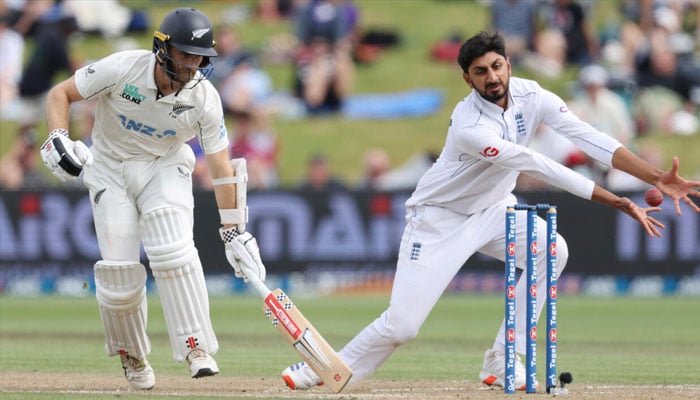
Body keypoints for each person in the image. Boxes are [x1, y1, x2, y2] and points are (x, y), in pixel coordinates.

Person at [280, 31, 700, 392]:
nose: (493, 77)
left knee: (552, 250)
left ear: (508, 63)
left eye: (497, 66)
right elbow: (537, 165)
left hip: (495, 211)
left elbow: (590, 138)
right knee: (403, 326)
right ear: (467, 78)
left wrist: (655, 176)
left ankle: (503, 358)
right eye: (481, 72)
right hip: (439, 219)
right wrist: (617, 200)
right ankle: (322, 366)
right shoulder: (469, 125)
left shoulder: (533, 95)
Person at [38, 7, 267, 391]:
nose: (193, 65)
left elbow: (222, 167)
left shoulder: (204, 98)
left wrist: (233, 231)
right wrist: (58, 135)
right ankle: (132, 354)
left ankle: (196, 346)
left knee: (173, 251)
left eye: (200, 58)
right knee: (118, 273)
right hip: (109, 167)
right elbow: (60, 93)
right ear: (162, 49)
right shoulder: (123, 68)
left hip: (164, 166)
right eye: (185, 54)